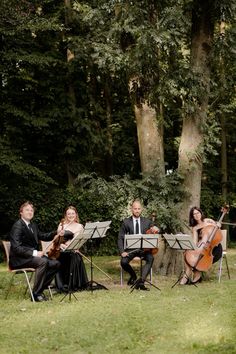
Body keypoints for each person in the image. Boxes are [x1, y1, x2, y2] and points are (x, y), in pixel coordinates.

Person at [9, 201, 60, 302]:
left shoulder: (33, 225)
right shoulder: (18, 226)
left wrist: (56, 233)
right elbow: (16, 248)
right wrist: (35, 253)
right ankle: (36, 295)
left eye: (31, 210)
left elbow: (42, 236)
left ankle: (39, 289)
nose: (30, 212)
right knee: (43, 261)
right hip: (19, 259)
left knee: (56, 263)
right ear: (21, 212)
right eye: (27, 210)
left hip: (30, 257)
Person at [118, 200, 157, 291]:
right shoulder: (126, 222)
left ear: (141, 209)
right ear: (132, 209)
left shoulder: (147, 221)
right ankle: (134, 276)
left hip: (144, 249)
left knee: (150, 258)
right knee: (123, 262)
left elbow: (154, 227)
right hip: (131, 249)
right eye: (135, 208)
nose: (137, 210)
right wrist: (122, 251)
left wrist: (155, 228)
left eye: (139, 209)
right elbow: (120, 238)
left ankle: (141, 282)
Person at [179, 206, 223, 285]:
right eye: (194, 214)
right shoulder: (195, 228)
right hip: (203, 248)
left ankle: (190, 277)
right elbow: (195, 243)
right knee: (187, 253)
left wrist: (218, 226)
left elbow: (217, 233)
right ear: (192, 216)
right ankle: (193, 276)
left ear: (201, 213)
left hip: (214, 248)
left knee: (197, 259)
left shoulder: (208, 221)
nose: (196, 215)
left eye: (197, 213)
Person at [55, 206, 88, 292]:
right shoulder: (62, 225)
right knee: (64, 255)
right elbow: (57, 240)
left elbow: (81, 240)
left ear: (76, 214)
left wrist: (76, 246)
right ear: (66, 215)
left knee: (74, 255)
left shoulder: (80, 226)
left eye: (73, 213)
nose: (71, 215)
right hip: (63, 251)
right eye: (69, 213)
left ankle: (74, 283)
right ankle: (64, 284)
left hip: (74, 250)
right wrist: (61, 244)